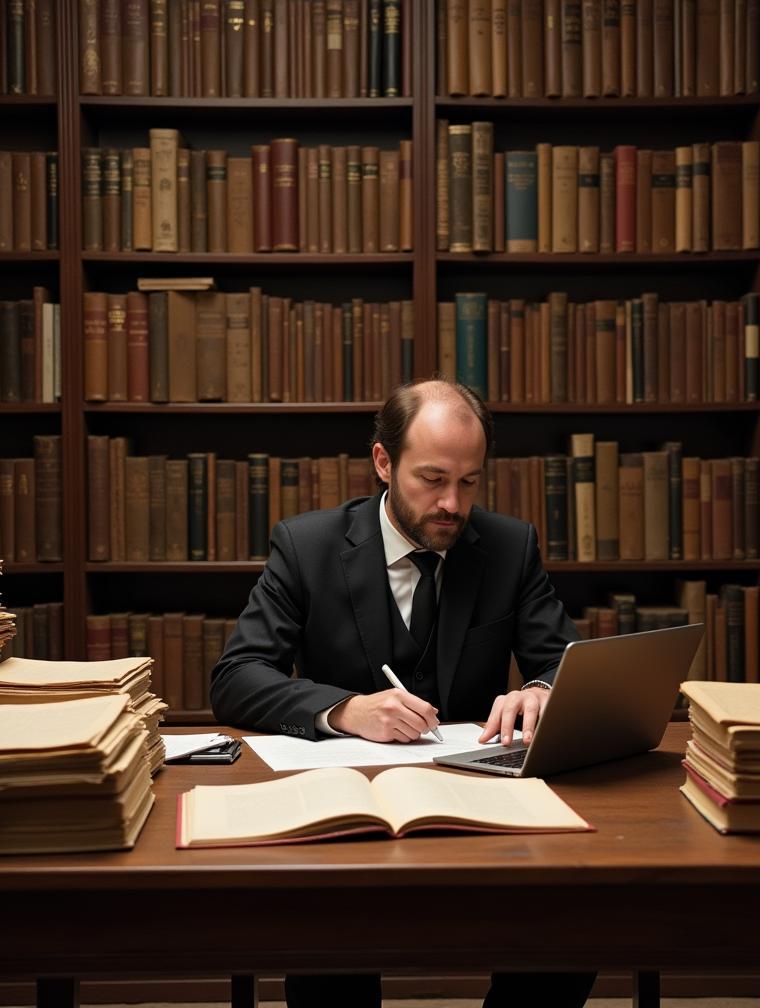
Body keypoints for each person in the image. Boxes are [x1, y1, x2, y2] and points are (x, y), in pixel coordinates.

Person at [211, 377, 596, 1008]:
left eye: (469, 482)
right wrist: (342, 710)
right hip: (348, 812)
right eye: (433, 478)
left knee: (566, 935)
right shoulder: (306, 547)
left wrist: (541, 689)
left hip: (481, 810)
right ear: (383, 462)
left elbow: (563, 663)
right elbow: (236, 676)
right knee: (328, 958)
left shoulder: (508, 546)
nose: (453, 503)